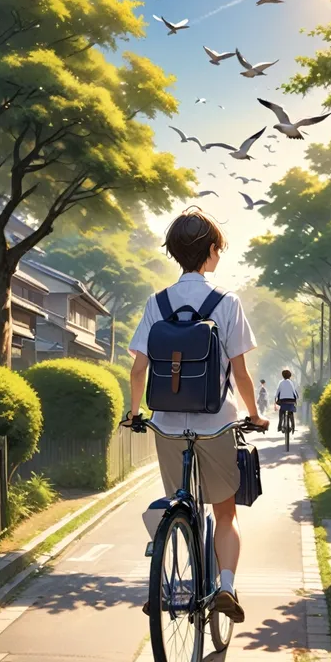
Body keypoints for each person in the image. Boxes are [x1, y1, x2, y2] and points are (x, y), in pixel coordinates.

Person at [125, 206, 269, 623]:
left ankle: (168, 575)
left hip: (168, 425)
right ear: (210, 250)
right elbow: (240, 372)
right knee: (225, 513)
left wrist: (135, 414)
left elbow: (139, 369)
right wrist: (256, 416)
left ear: (173, 252)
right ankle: (225, 586)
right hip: (216, 423)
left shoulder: (157, 302)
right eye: (218, 250)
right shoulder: (227, 302)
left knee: (178, 501)